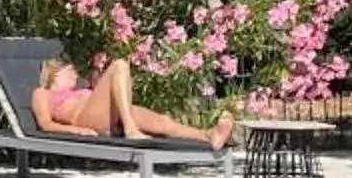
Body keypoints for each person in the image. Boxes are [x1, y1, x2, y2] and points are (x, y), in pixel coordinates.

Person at [30, 53, 235, 151]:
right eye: (71, 71)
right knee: (119, 64)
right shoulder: (43, 93)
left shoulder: (79, 90)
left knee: (162, 122)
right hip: (85, 120)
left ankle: (208, 135)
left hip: (106, 117)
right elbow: (45, 124)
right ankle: (130, 128)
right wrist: (74, 131)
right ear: (55, 73)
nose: (75, 74)